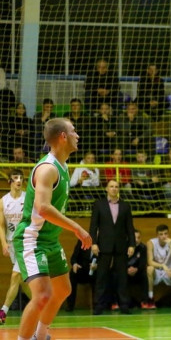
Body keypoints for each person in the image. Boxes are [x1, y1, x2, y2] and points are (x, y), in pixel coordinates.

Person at [13, 118, 93, 340]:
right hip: (32, 239)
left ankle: (40, 335)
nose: (78, 135)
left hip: (50, 239)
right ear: (63, 137)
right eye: (74, 131)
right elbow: (43, 208)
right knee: (42, 295)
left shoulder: (63, 166)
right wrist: (77, 228)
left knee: (63, 289)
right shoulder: (48, 169)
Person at [89, 179, 135, 315]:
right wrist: (93, 243)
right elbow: (93, 226)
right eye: (111, 186)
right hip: (104, 245)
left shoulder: (125, 206)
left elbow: (130, 227)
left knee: (122, 277)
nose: (114, 188)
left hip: (121, 245)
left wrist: (132, 244)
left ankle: (124, 305)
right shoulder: (99, 204)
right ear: (107, 189)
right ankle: (99, 305)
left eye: (116, 186)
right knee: (101, 276)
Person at [0, 170, 30, 323]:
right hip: (12, 244)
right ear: (10, 182)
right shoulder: (3, 201)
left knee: (15, 275)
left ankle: (3, 311)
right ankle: (40, 304)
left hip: (25, 243)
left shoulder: (28, 198)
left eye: (21, 178)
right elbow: (1, 225)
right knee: (23, 281)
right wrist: (4, 243)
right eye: (15, 178)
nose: (19, 180)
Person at [143, 224, 171, 309]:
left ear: (168, 234)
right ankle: (150, 299)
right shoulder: (151, 243)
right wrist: (162, 266)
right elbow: (150, 262)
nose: (164, 236)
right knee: (149, 269)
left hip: (169, 272)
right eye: (161, 234)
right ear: (157, 235)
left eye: (165, 234)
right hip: (156, 272)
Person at [64, 239, 97, 312]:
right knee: (72, 275)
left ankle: (97, 306)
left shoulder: (103, 243)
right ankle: (70, 305)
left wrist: (97, 266)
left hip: (95, 272)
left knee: (100, 277)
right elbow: (73, 258)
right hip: (81, 269)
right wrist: (75, 264)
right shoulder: (82, 241)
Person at [127, 229, 148, 308]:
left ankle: (144, 301)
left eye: (138, 238)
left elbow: (143, 263)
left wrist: (136, 269)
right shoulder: (123, 246)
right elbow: (120, 262)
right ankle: (120, 302)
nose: (136, 240)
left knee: (144, 275)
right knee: (116, 274)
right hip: (126, 272)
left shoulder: (143, 247)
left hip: (137, 272)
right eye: (134, 238)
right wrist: (127, 269)